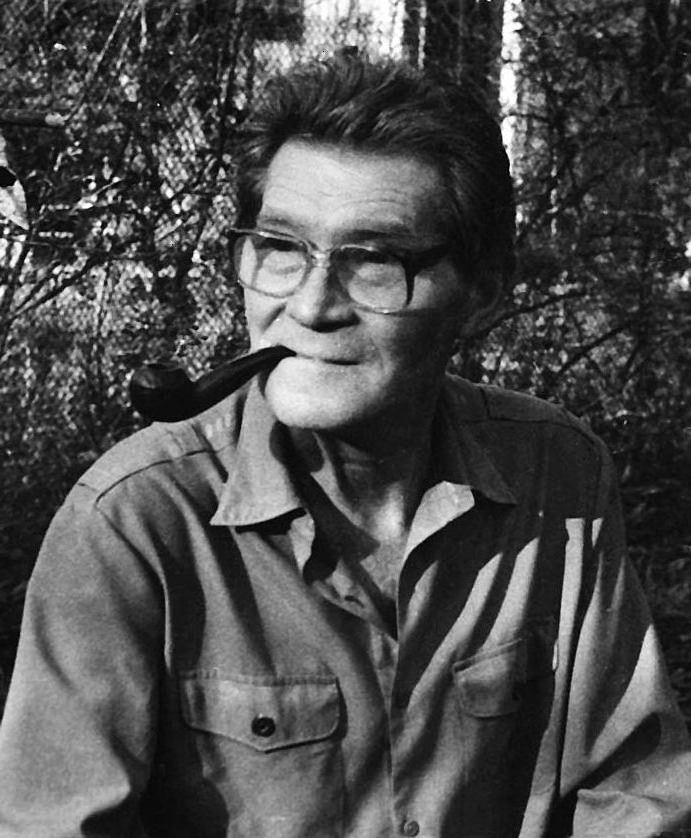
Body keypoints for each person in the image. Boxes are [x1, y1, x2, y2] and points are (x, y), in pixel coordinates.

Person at [0, 51, 689, 838]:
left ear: (481, 293)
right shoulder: (135, 523)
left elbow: (632, 792)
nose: (311, 306)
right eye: (280, 247)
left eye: (375, 261)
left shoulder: (555, 474)